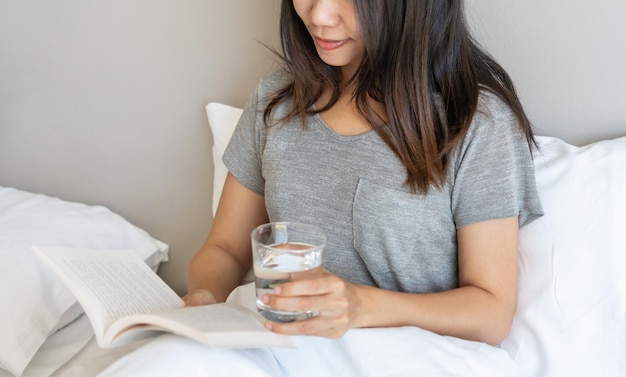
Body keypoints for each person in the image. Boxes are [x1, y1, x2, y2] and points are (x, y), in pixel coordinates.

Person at [185, 0, 543, 347]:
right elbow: (225, 249)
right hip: (287, 357)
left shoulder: (475, 122)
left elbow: (491, 313)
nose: (320, 15)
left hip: (410, 372)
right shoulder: (277, 101)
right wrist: (205, 296)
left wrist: (360, 306)